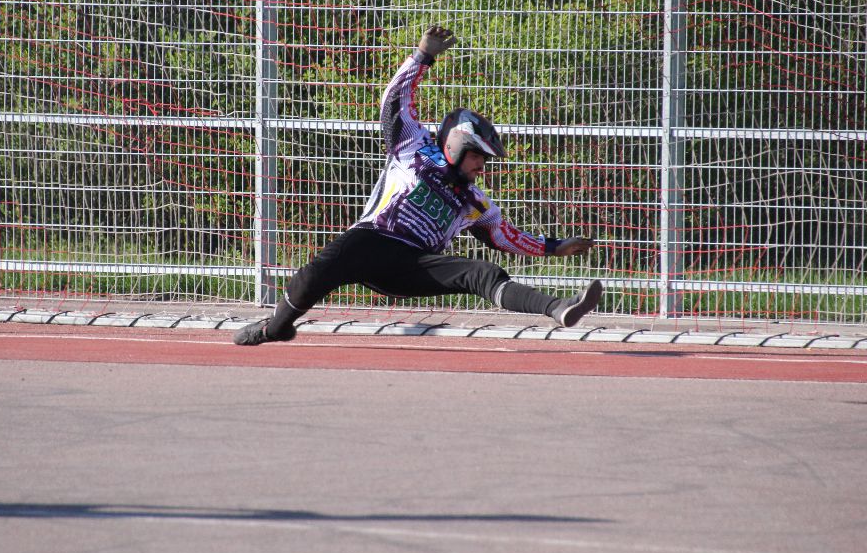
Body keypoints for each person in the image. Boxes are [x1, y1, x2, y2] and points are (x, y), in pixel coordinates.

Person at [234, 26, 603, 346]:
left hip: (413, 265)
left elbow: (506, 237)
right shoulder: (414, 147)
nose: (482, 167)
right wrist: (422, 56)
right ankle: (276, 327)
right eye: (478, 156)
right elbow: (394, 100)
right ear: (456, 145)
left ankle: (558, 308)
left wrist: (554, 247)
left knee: (482, 273)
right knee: (312, 275)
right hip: (371, 241)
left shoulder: (475, 202)